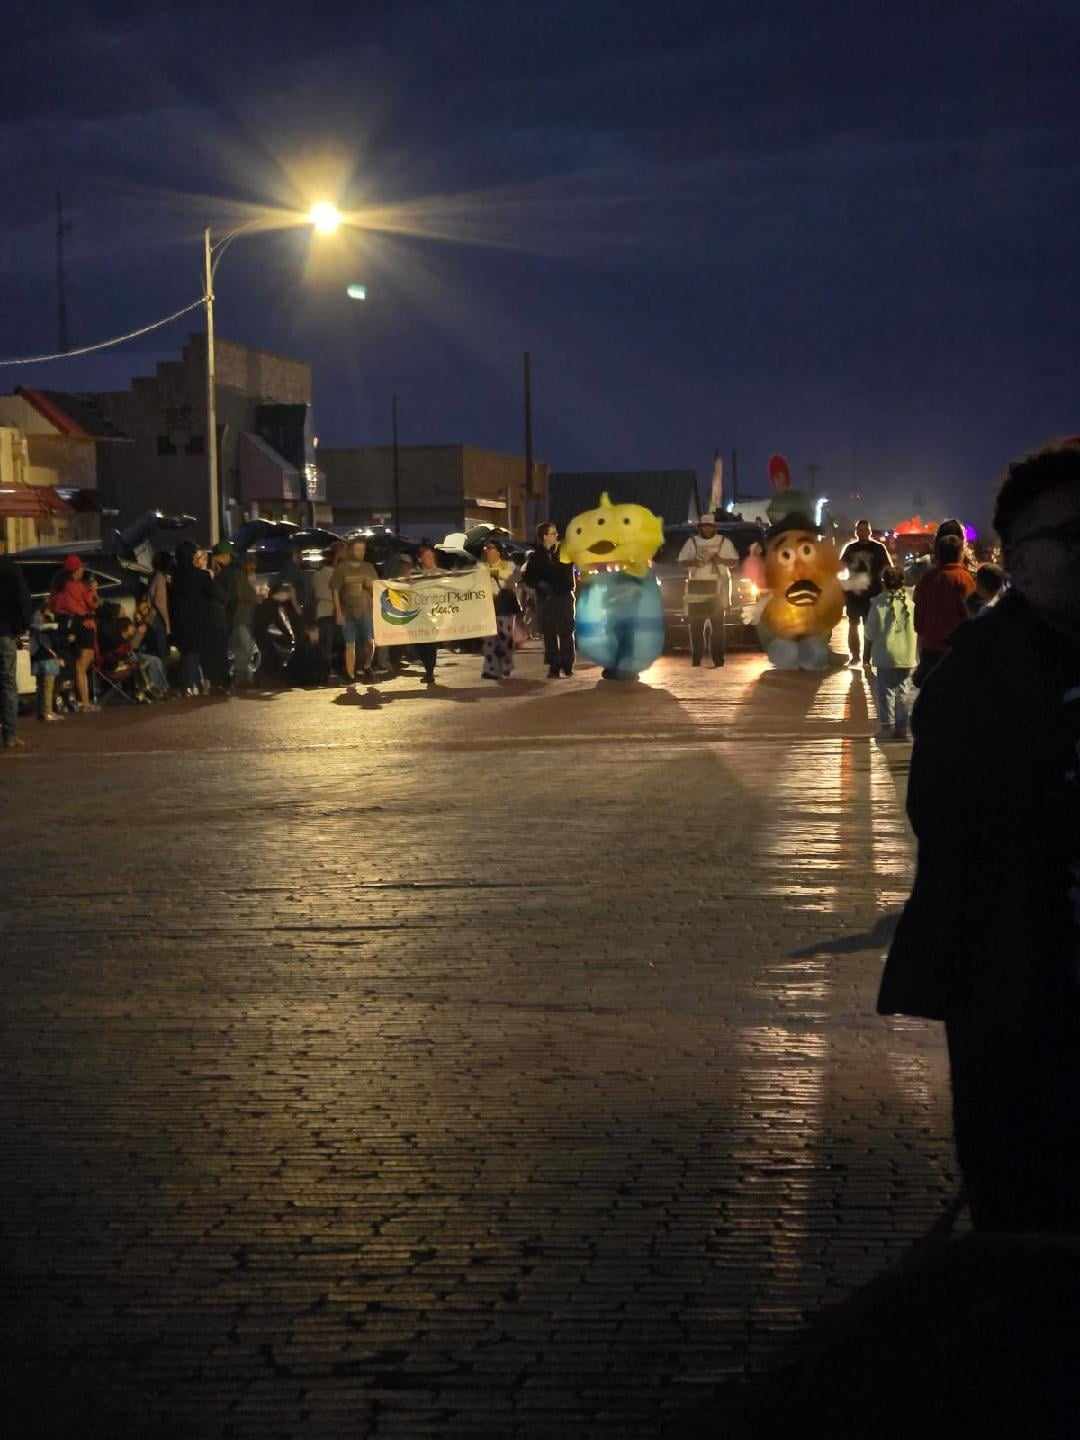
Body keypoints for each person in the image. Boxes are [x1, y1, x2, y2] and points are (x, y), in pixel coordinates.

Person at [879, 439, 1080, 1231]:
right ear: (1018, 560)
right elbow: (954, 824)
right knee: (1028, 1212)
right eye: (1072, 540)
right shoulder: (978, 676)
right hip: (1022, 989)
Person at [912, 532, 975, 685]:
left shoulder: (927, 579)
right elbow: (972, 615)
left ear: (938, 554)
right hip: (957, 650)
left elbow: (918, 614)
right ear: (960, 554)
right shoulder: (965, 578)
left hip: (930, 647)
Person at [677, 512, 737, 667]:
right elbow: (681, 561)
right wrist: (694, 562)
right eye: (704, 526)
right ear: (700, 527)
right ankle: (696, 658)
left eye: (710, 526)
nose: (707, 529)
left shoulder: (724, 542)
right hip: (696, 588)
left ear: (714, 527)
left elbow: (734, 561)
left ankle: (718, 659)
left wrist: (720, 560)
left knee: (717, 627)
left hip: (718, 588)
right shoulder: (692, 542)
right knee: (696, 626)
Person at [864, 566, 917, 740]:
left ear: (883, 583)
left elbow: (869, 633)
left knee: (885, 692)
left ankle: (887, 728)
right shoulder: (910, 603)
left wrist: (866, 656)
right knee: (903, 692)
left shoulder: (878, 603)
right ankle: (902, 729)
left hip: (885, 657)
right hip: (907, 656)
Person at [522, 521, 575, 678]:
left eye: (556, 533)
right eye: (552, 533)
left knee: (566, 631)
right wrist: (540, 584)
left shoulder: (563, 552)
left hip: (564, 596)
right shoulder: (536, 556)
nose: (556, 536)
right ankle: (553, 666)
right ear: (544, 536)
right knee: (550, 633)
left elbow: (567, 572)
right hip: (546, 599)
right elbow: (529, 578)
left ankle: (567, 664)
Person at [840, 520, 893, 667]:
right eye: (859, 530)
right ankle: (855, 656)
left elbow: (888, 568)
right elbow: (840, 566)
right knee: (853, 624)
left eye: (865, 530)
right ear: (856, 532)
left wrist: (890, 586)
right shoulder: (850, 548)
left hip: (873, 594)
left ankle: (866, 658)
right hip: (854, 593)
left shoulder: (878, 548)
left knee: (869, 627)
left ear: (869, 532)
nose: (862, 532)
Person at [50, 554, 100, 711]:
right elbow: (94, 604)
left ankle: (82, 701)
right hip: (83, 625)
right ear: (75, 570)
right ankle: (84, 702)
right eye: (81, 567)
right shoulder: (79, 586)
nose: (83, 569)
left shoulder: (59, 587)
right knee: (82, 665)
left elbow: (54, 606)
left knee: (76, 665)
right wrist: (94, 590)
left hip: (65, 627)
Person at [331, 537, 377, 684]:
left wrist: (370, 586)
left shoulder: (368, 567)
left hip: (366, 610)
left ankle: (367, 666)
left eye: (363, 550)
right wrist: (338, 611)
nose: (361, 552)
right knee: (350, 644)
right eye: (358, 549)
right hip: (347, 611)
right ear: (351, 550)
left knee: (370, 642)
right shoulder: (342, 568)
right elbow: (335, 590)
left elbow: (377, 589)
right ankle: (350, 675)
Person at [0, 542, 33, 749]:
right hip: (4, 633)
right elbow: (23, 600)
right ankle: (10, 735)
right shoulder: (10, 568)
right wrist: (21, 626)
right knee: (8, 683)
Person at [480, 540, 521, 680]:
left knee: (505, 638)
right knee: (489, 639)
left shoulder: (508, 565)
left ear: (498, 551)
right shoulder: (480, 567)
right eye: (487, 549)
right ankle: (490, 668)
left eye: (492, 549)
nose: (489, 552)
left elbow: (513, 577)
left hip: (504, 606)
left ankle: (506, 664)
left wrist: (496, 574)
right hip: (486, 606)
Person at [408, 543, 441, 684]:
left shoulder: (440, 573)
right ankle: (428, 668)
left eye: (432, 556)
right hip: (418, 615)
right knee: (420, 645)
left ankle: (430, 671)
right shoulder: (415, 574)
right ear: (420, 559)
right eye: (427, 557)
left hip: (434, 614)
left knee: (430, 644)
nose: (430, 559)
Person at [226, 553, 259, 687]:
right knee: (244, 649)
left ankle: (242, 679)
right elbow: (242, 595)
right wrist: (254, 597)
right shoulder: (241, 577)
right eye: (252, 564)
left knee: (244, 649)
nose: (254, 567)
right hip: (241, 619)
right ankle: (241, 680)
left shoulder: (247, 577)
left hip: (246, 619)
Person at [29, 598, 65, 723]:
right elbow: (42, 631)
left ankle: (41, 712)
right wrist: (52, 624)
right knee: (48, 686)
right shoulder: (42, 617)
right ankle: (47, 712)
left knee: (40, 686)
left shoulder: (35, 616)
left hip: (38, 655)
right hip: (47, 655)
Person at [312, 544, 341, 679]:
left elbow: (314, 593)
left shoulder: (316, 574)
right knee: (329, 644)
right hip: (331, 611)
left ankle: (321, 671)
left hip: (320, 611)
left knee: (323, 645)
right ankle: (327, 672)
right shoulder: (334, 574)